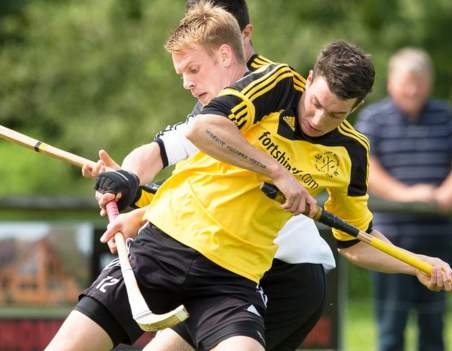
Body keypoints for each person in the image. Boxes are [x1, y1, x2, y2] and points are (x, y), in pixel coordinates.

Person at [46, 4, 452, 351]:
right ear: (309, 79)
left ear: (358, 106)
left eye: (337, 114)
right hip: (164, 248)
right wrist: (280, 174)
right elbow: (200, 129)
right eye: (315, 104)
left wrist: (414, 263)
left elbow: (357, 241)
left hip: (233, 278)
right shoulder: (274, 84)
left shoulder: (352, 153)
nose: (318, 119)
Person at [82, 1, 335, 350]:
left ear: (234, 43)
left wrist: (141, 212)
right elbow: (171, 164)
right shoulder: (212, 103)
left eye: (195, 65)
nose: (188, 81)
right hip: (216, 259)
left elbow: (235, 196)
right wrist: (127, 179)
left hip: (282, 271)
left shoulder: (268, 90)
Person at [355, 47, 452, 351]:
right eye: (406, 81)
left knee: (433, 327)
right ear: (391, 83)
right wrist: (406, 195)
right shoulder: (374, 117)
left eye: (419, 81)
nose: (412, 89)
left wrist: (451, 189)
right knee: (391, 330)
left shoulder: (445, 115)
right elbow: (364, 166)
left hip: (438, 236)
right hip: (391, 241)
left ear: (430, 84)